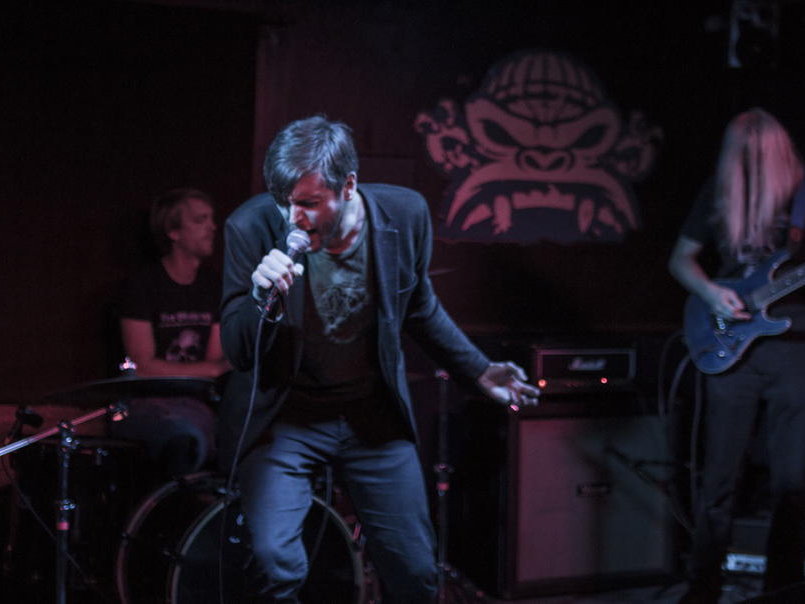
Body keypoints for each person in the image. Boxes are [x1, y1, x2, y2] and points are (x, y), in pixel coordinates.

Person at [218, 115, 539, 603]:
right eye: (284, 202)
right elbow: (239, 352)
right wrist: (262, 297)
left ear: (348, 186)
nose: (292, 218)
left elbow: (420, 307)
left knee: (415, 570)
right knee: (274, 562)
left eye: (308, 203)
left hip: (370, 414)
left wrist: (478, 368)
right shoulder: (250, 226)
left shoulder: (404, 215)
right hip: (286, 418)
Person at [668, 108, 805, 602]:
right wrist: (710, 293)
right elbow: (681, 259)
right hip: (731, 347)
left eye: (758, 158)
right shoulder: (720, 190)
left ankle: (783, 589)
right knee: (719, 479)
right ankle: (703, 587)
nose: (749, 168)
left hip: (799, 351)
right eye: (740, 159)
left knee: (792, 480)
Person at [116, 188, 231, 478]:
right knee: (182, 436)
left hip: (198, 403)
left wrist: (213, 370)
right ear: (173, 231)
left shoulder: (214, 286)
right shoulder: (142, 285)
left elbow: (216, 360)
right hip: (147, 404)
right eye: (200, 220)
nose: (212, 227)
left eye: (212, 219)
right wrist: (211, 370)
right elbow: (142, 367)